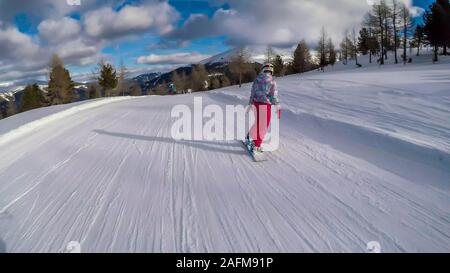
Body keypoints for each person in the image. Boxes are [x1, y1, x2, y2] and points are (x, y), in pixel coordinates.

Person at [246, 63, 280, 154]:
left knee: (258, 122)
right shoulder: (272, 81)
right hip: (265, 104)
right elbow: (274, 96)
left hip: (256, 103)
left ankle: (249, 136)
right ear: (271, 71)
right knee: (263, 125)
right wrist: (277, 105)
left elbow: (252, 92)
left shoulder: (256, 79)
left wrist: (250, 103)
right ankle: (256, 145)